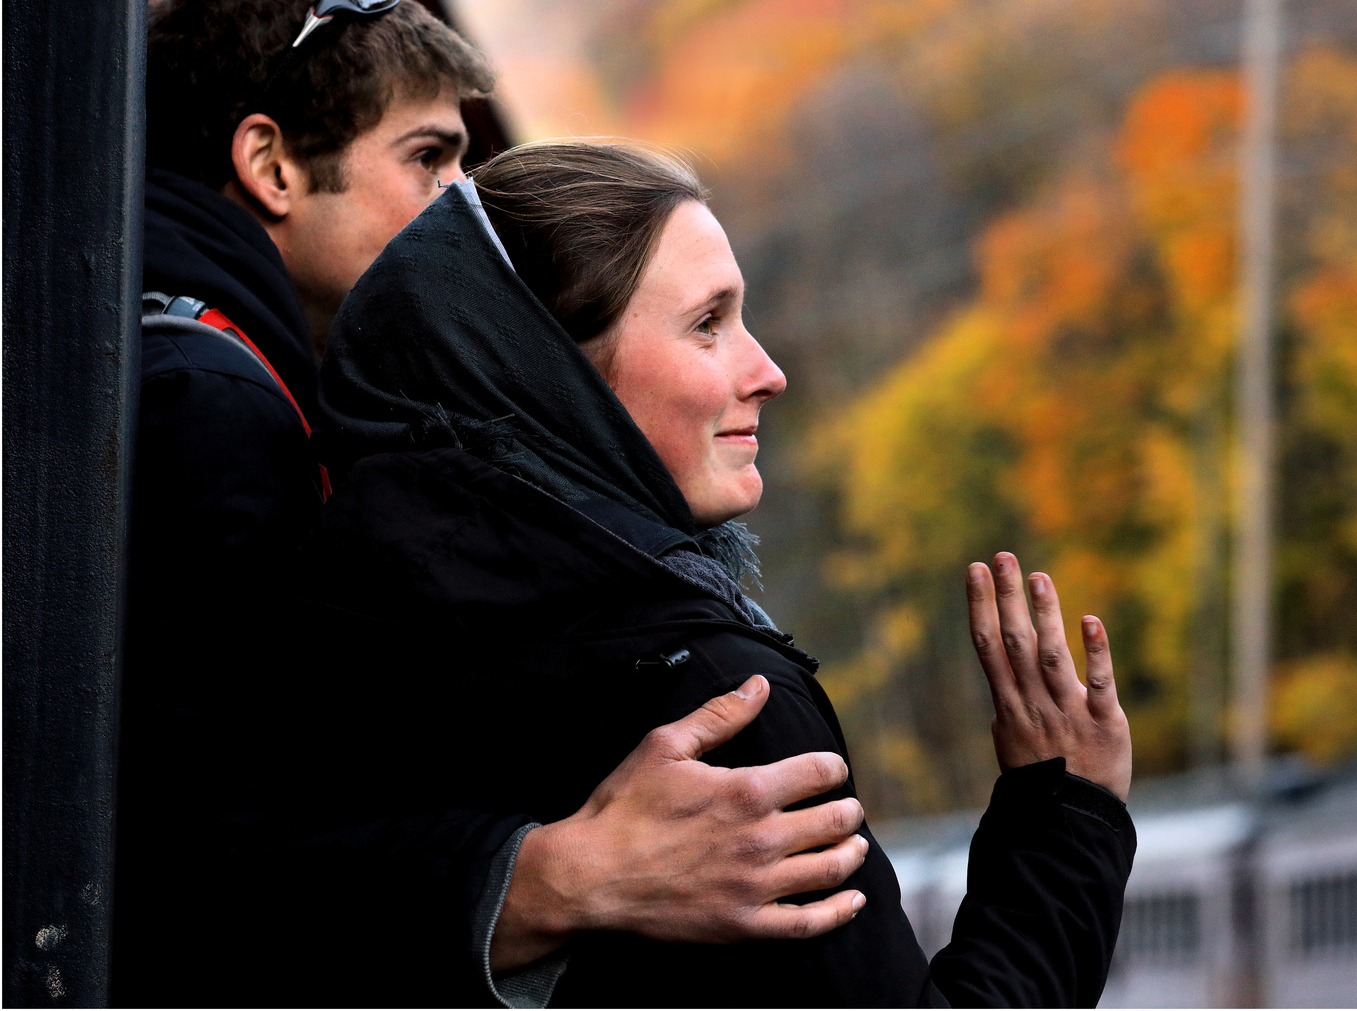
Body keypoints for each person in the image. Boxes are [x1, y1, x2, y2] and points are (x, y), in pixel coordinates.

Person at [117, 0, 869, 1006]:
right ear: (272, 167)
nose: (457, 204)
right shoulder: (210, 403)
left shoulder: (178, 359)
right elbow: (197, 864)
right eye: (429, 158)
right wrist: (555, 879)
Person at [268, 139, 1136, 1006]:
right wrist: (1069, 819)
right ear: (553, 375)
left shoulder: (314, 639)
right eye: (707, 324)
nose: (768, 372)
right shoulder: (720, 717)